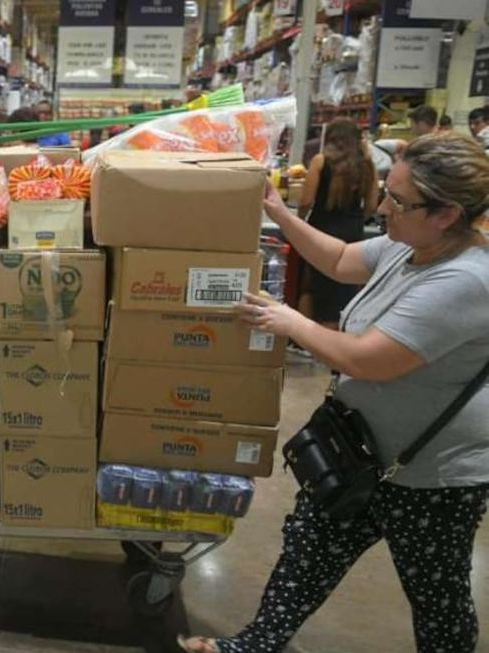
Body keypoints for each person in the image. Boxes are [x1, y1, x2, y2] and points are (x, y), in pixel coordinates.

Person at [180, 132, 489, 653]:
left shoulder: (464, 279)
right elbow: (343, 258)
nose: (379, 206)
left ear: (446, 214)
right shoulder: (408, 244)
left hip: (429, 475)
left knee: (437, 596)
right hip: (360, 450)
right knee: (306, 552)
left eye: (396, 199)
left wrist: (290, 321)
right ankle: (254, 646)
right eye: (387, 191)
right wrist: (279, 211)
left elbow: (366, 359)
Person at [296, 119, 378, 329]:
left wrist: (299, 221)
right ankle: (337, 334)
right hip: (352, 232)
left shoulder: (320, 162)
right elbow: (371, 204)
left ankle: (305, 339)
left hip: (321, 228)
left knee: (311, 286)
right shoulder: (367, 164)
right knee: (344, 288)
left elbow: (306, 200)